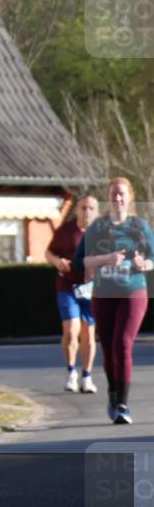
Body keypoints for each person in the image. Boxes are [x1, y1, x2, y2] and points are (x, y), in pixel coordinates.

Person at [73, 177, 154, 424]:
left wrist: (144, 264)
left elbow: (152, 259)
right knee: (108, 347)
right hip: (104, 294)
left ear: (129, 197)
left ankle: (122, 404)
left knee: (122, 342)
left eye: (122, 194)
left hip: (133, 290)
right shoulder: (98, 227)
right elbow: (80, 262)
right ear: (108, 198)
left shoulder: (140, 226)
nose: (118, 198)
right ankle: (112, 392)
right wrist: (105, 259)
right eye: (113, 194)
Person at [45, 196, 99, 393]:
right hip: (67, 286)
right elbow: (48, 253)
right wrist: (58, 262)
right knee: (71, 330)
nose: (87, 212)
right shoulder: (66, 231)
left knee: (89, 333)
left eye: (91, 208)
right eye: (84, 207)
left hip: (92, 289)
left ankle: (87, 376)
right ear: (77, 209)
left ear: (97, 211)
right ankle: (71, 372)